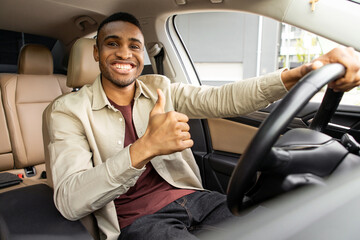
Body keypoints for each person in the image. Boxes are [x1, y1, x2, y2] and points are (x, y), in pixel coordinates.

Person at [44, 12, 360, 240]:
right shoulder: (67, 110)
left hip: (195, 199)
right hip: (137, 221)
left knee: (280, 228)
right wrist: (145, 147)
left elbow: (221, 99)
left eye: (134, 45)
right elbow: (70, 201)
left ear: (143, 53)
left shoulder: (160, 87)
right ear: (97, 53)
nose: (124, 53)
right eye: (112, 43)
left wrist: (298, 73)